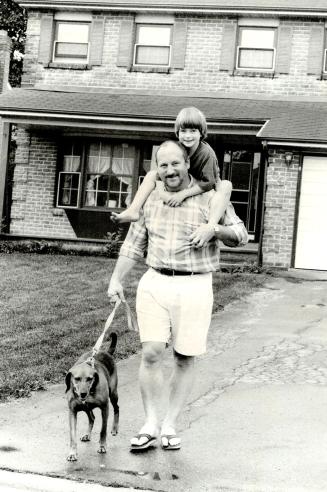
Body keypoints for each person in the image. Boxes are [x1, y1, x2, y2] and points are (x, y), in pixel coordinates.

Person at [108, 140, 239, 452]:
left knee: (183, 356)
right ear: (157, 168)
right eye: (162, 165)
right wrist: (116, 280)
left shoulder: (212, 196)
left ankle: (170, 425)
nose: (169, 171)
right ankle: (150, 424)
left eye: (175, 163)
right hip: (155, 282)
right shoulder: (149, 198)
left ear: (187, 163)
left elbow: (240, 235)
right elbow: (133, 245)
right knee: (151, 352)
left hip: (195, 285)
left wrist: (215, 230)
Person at [111, 106, 247, 248]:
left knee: (226, 185)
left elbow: (209, 183)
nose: (187, 136)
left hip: (207, 184)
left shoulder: (207, 153)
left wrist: (182, 194)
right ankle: (133, 210)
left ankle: (211, 225)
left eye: (193, 131)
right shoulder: (177, 149)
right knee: (151, 174)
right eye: (183, 131)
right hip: (185, 181)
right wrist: (163, 194)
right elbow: (158, 174)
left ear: (201, 133)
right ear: (178, 132)